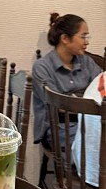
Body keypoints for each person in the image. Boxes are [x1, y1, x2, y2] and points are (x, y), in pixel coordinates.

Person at [32, 12, 101, 147]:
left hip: (88, 122)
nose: (86, 42)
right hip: (59, 127)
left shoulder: (86, 61)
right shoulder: (42, 67)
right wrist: (86, 101)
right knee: (95, 144)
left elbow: (100, 88)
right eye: (83, 36)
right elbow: (58, 105)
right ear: (65, 38)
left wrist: (77, 100)